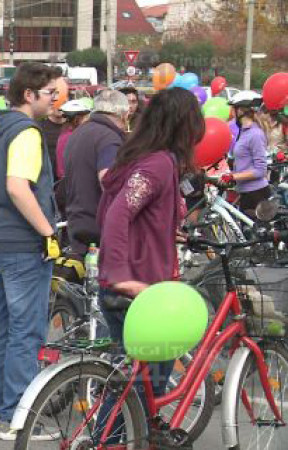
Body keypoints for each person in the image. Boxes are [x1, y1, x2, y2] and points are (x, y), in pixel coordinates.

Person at [96, 87, 204, 439]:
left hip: (124, 288)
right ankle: (108, 442)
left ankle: (105, 441)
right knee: (141, 393)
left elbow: (127, 213)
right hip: (140, 289)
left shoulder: (137, 155)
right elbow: (118, 214)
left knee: (129, 386)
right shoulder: (158, 163)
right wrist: (120, 274)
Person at [0, 62, 61, 441]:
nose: (55, 99)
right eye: (50, 93)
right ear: (29, 95)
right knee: (26, 331)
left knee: (1, 326)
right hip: (21, 244)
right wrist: (47, 231)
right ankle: (18, 418)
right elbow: (18, 186)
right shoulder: (25, 132)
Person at [63, 90, 129, 257]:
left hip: (77, 222)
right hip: (100, 226)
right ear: (124, 114)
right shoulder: (109, 138)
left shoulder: (78, 133)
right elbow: (108, 181)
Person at [226, 91, 270, 217]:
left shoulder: (255, 134)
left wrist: (234, 177)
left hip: (256, 194)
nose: (231, 113)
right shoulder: (243, 132)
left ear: (240, 110)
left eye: (233, 109)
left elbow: (261, 170)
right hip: (245, 192)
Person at [55, 100, 92, 180]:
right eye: (86, 118)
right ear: (77, 119)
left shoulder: (67, 134)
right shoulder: (70, 136)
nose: (88, 121)